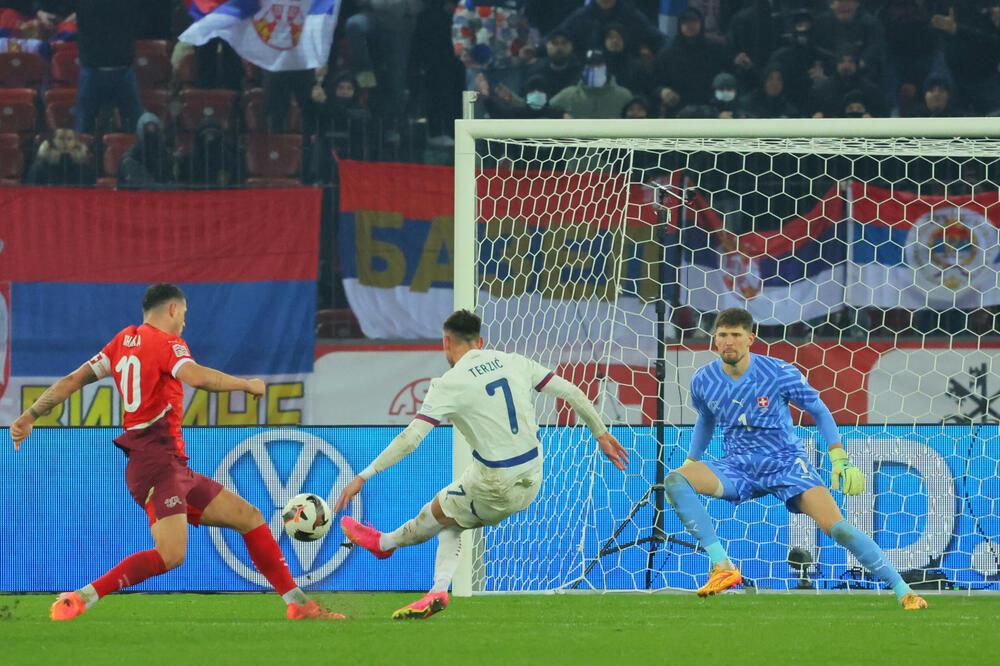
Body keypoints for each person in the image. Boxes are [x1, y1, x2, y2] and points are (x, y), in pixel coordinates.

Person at [9, 283, 342, 621]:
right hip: (157, 466)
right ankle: (81, 597)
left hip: (170, 467)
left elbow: (71, 380)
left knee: (250, 518)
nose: (184, 322)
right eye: (184, 313)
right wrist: (247, 384)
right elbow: (197, 377)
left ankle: (298, 602)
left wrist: (29, 415)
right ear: (172, 309)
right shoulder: (169, 343)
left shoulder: (122, 342)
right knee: (171, 555)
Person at [335, 309, 629, 619]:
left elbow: (411, 439)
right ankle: (437, 589)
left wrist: (363, 476)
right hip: (533, 475)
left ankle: (384, 543)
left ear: (446, 342)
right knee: (453, 519)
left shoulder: (448, 383)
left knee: (436, 512)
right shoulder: (515, 361)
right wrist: (601, 434)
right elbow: (571, 392)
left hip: (495, 483)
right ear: (481, 341)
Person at [663, 307, 928, 610]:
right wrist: (690, 460)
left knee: (838, 528)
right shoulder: (703, 379)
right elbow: (706, 419)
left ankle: (904, 591)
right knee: (675, 480)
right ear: (714, 339)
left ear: (751, 338)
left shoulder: (778, 372)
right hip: (737, 466)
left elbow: (818, 410)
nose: (728, 342)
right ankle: (723, 567)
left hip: (786, 465)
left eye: (736, 335)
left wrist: (838, 457)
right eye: (722, 335)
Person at [23, 128, 96, 186]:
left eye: (69, 139)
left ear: (75, 141)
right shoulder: (39, 168)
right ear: (53, 140)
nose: (65, 142)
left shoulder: (84, 169)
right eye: (61, 138)